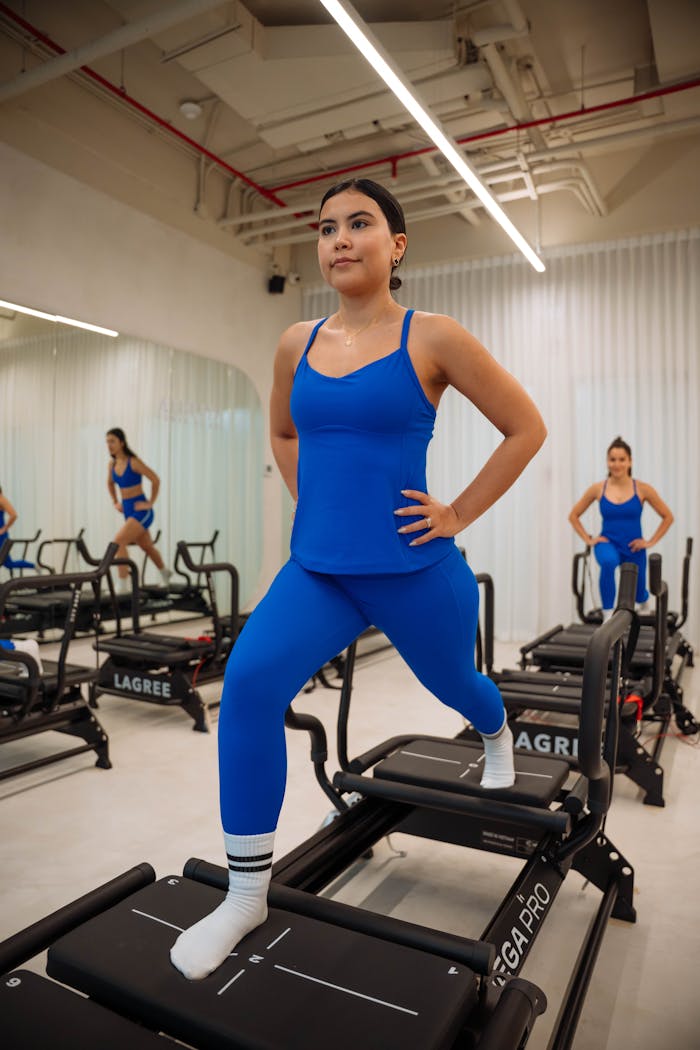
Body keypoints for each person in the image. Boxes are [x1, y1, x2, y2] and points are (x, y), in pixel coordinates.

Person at [170, 177, 547, 981]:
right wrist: (320, 505)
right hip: (318, 572)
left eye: (360, 224)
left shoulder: (432, 336)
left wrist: (457, 514)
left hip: (414, 569)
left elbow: (525, 427)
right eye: (326, 227)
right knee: (247, 689)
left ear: (396, 244)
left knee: (459, 685)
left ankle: (495, 730)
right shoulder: (294, 342)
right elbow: (281, 427)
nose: (340, 238)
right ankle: (245, 892)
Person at [568, 436, 674, 618]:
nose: (616, 464)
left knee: (639, 592)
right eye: (612, 459)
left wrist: (649, 542)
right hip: (607, 543)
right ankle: (608, 616)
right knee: (608, 562)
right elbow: (574, 515)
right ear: (607, 462)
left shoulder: (642, 489)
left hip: (634, 546)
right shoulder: (598, 489)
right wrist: (588, 539)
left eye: (621, 459)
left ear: (630, 461)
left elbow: (667, 517)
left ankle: (643, 601)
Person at [106, 428, 170, 591]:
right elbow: (110, 483)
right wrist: (115, 501)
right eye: (107, 442)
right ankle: (165, 572)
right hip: (128, 511)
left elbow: (155, 479)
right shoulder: (112, 465)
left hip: (141, 510)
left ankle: (123, 584)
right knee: (146, 546)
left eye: (112, 441)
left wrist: (150, 502)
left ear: (122, 442)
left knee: (118, 542)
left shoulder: (133, 462)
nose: (109, 445)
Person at [0, 484, 35, 571]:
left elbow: (13, 515)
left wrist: (5, 528)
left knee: (8, 564)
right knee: (8, 564)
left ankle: (34, 566)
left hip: (1, 536)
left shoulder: (2, 499)